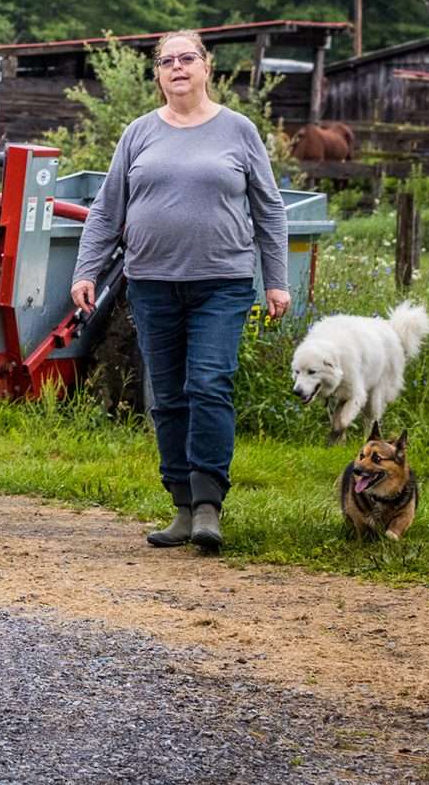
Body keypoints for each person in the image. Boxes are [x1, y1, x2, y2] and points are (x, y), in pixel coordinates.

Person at [70, 30, 290, 556]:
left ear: (207, 67)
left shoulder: (239, 131)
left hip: (222, 282)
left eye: (187, 58)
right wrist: (86, 272)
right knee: (166, 396)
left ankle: (210, 504)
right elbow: (106, 211)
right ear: (158, 75)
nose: (177, 67)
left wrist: (276, 279)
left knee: (209, 383)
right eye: (166, 61)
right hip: (151, 283)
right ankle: (183, 506)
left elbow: (269, 207)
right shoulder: (139, 134)